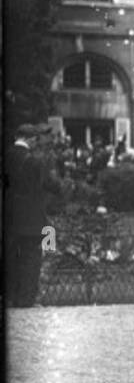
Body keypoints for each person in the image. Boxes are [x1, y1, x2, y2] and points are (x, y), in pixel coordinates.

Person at [4, 122, 59, 308]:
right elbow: (49, 185)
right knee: (30, 259)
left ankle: (9, 297)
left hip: (8, 217)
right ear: (30, 139)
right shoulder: (35, 161)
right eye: (35, 140)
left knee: (9, 258)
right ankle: (25, 300)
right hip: (31, 218)